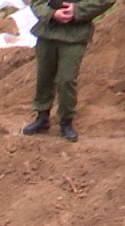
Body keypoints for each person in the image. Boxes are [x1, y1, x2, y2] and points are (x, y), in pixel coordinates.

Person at [21, 0, 116, 142]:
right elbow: (37, 2)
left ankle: (66, 121)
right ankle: (42, 117)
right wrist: (51, 13)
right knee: (44, 75)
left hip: (76, 33)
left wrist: (77, 10)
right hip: (48, 31)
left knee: (66, 79)